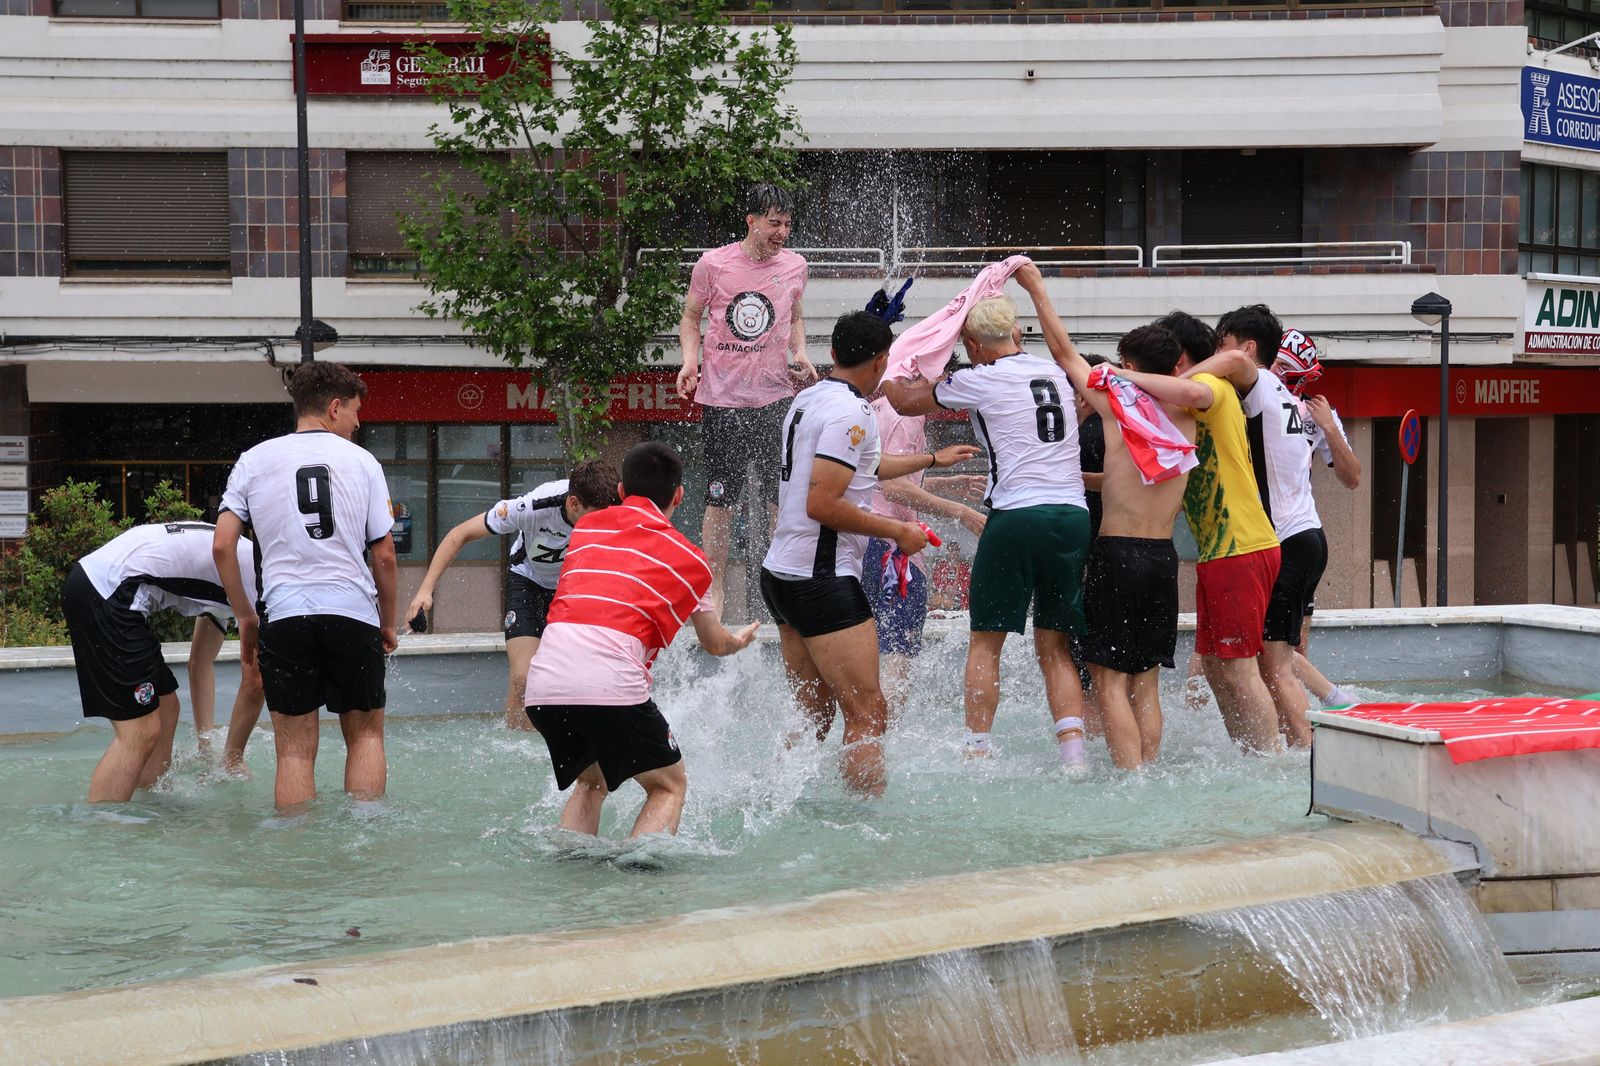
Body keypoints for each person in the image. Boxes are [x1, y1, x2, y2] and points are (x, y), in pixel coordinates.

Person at [761, 311, 979, 797]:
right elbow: (823, 503)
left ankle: (772, 799)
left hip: (781, 574)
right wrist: (898, 530)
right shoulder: (854, 412)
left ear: (833, 353)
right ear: (882, 361)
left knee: (816, 714)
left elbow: (865, 465)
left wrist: (931, 459)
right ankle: (864, 817)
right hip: (821, 579)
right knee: (868, 712)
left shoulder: (809, 398)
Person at [884, 288, 1093, 770]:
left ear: (973, 345)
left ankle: (977, 752)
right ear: (1016, 332)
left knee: (986, 640)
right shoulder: (1056, 372)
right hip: (1072, 516)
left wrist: (903, 356)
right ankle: (1074, 757)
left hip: (1017, 515)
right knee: (1055, 645)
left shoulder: (978, 377)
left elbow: (903, 401)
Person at [524, 442, 759, 839]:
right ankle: (639, 877)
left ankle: (568, 869)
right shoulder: (690, 560)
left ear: (620, 492)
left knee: (592, 781)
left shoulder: (586, 529)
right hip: (608, 687)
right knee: (669, 785)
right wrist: (737, 641)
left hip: (543, 686)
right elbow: (714, 644)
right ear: (679, 495)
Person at [1018, 268, 1196, 770]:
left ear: (1129, 366)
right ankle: (1150, 771)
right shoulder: (1190, 415)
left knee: (1109, 679)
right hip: (1162, 557)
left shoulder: (1120, 407)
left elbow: (1064, 354)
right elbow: (1125, 478)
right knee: (1147, 680)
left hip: (1117, 554)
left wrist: (1037, 289)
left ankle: (1129, 776)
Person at [213, 361, 398, 810]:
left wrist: (245, 616)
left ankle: (294, 841)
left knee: (293, 750)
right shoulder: (364, 462)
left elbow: (221, 546)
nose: (358, 422)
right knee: (366, 735)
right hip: (352, 611)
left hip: (285, 614)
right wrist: (388, 623)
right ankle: (366, 832)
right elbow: (385, 556)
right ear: (334, 408)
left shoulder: (254, 460)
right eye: (354, 411)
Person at [1116, 310, 1284, 755]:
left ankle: (1271, 761)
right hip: (1223, 551)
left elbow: (1200, 383)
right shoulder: (1185, 399)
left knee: (1240, 667)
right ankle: (1248, 755)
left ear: (1180, 357)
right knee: (1214, 664)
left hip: (1240, 546)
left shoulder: (1209, 386)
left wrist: (1122, 376)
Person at [1177, 305, 1321, 748]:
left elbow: (1235, 361)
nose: (1217, 353)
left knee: (1276, 667)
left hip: (1285, 537)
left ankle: (1308, 759)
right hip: (1304, 534)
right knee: (1270, 664)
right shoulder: (1281, 395)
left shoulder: (1258, 381)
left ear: (1248, 346)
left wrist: (1176, 385)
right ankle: (1288, 750)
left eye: (1221, 343)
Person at [677, 183, 818, 612]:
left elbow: (795, 317)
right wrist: (689, 361)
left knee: (781, 498)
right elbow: (690, 317)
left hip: (775, 398)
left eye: (787, 224)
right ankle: (715, 588)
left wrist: (800, 351)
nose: (782, 233)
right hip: (723, 399)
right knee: (720, 498)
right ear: (751, 220)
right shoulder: (713, 264)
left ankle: (782, 584)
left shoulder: (796, 266)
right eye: (774, 223)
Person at [404, 461, 620, 730]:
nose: (602, 526)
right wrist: (425, 590)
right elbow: (460, 534)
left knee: (582, 678)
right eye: (595, 518)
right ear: (574, 503)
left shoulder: (614, 509)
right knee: (523, 679)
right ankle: (519, 745)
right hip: (528, 581)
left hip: (574, 587)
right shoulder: (533, 507)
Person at [62, 521, 263, 802]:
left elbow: (200, 663)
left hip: (96, 583)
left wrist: (206, 742)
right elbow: (255, 684)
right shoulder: (261, 587)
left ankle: (148, 804)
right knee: (139, 732)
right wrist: (232, 760)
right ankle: (104, 825)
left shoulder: (241, 568)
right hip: (107, 592)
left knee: (166, 706)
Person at [862, 393, 987, 713]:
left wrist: (945, 485)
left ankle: (863, 731)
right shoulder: (908, 417)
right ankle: (883, 736)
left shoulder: (877, 408)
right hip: (893, 551)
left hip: (862, 543)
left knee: (868, 650)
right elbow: (894, 488)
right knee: (899, 655)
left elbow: (879, 480)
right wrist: (962, 512)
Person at [1275, 328, 1362, 708]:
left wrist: (1328, 427)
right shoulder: (1253, 396)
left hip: (1294, 536)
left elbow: (1352, 477)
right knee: (1283, 648)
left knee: (1285, 647)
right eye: (1276, 365)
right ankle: (1321, 706)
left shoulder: (1313, 413)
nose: (1278, 376)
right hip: (1277, 536)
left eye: (1287, 370)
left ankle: (1330, 703)